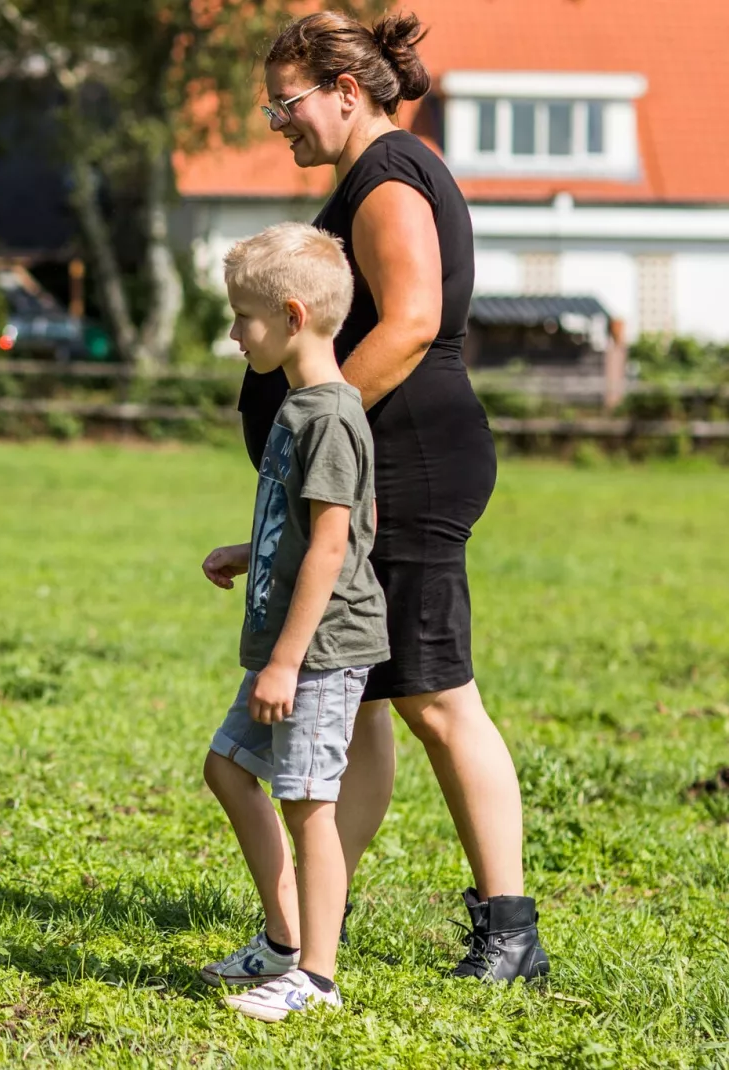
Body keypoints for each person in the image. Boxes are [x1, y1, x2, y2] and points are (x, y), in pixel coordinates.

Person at [240, 11, 548, 981]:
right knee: (366, 696)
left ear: (345, 91)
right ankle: (306, 923)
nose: (276, 122)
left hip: (407, 464)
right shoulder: (378, 172)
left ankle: (509, 929)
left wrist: (309, 423)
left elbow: (411, 321)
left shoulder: (385, 178)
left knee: (435, 696)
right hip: (384, 463)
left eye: (285, 104)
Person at [199, 223, 387, 1021]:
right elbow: (316, 527)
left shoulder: (331, 417)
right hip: (290, 640)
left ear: (293, 313)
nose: (236, 333)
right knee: (228, 769)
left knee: (310, 803)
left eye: (244, 317)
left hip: (320, 647)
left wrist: (286, 661)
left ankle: (316, 976)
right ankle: (282, 941)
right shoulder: (299, 406)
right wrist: (253, 550)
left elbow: (336, 545)